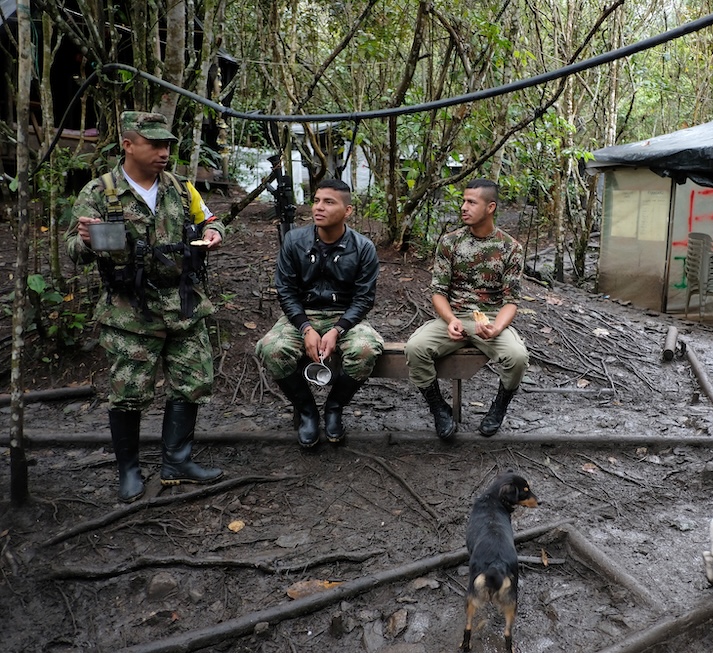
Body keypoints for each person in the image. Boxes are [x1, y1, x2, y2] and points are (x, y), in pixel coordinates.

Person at [66, 111, 224, 503]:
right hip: (130, 309)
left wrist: (213, 232)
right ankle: (130, 471)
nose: (164, 152)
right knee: (128, 391)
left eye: (167, 144)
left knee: (194, 381)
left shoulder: (181, 188)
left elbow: (210, 220)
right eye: (154, 144)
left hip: (182, 304)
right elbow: (72, 249)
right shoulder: (100, 192)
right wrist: (86, 240)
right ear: (128, 144)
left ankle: (177, 462)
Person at [255, 178, 383, 448]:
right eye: (316, 201)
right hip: (302, 315)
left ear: (348, 211)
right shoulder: (294, 241)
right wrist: (305, 328)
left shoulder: (363, 248)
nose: (318, 208)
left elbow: (364, 299)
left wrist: (338, 330)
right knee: (272, 349)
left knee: (365, 349)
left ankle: (335, 408)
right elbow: (286, 291)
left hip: (345, 316)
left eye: (329, 202)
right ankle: (308, 411)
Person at [405, 178, 529, 439]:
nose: (464, 207)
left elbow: (511, 300)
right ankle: (439, 408)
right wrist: (449, 319)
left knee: (517, 357)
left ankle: (499, 407)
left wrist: (497, 328)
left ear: (490, 207)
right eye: (463, 201)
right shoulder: (450, 243)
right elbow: (438, 291)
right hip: (455, 316)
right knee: (415, 348)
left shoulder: (510, 248)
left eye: (471, 202)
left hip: (491, 318)